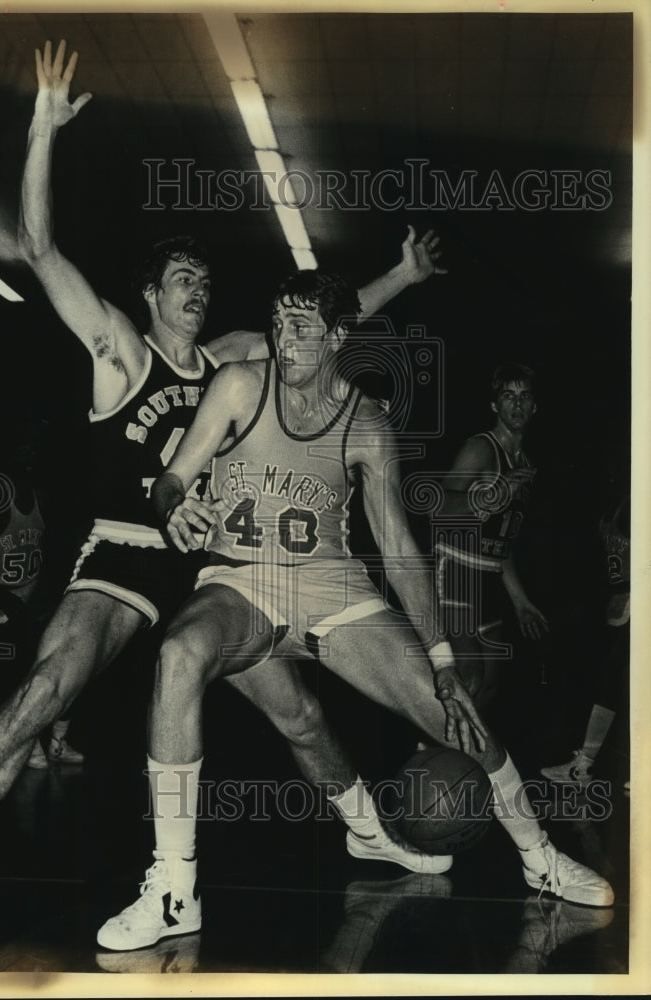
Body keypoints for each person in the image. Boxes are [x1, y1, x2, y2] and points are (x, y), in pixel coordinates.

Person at [0, 41, 447, 932]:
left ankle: (368, 835)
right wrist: (43, 129)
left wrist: (404, 276)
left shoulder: (231, 361)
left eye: (205, 280)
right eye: (184, 279)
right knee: (47, 691)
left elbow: (326, 325)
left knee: (302, 718)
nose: (199, 290)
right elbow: (38, 247)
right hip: (129, 556)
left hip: (219, 570)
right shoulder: (120, 352)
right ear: (150, 295)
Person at [95, 269, 613, 952]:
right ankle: (173, 888)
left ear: (339, 336)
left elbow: (398, 547)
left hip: (332, 587)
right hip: (241, 581)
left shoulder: (365, 421)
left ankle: (539, 856)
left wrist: (443, 660)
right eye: (279, 322)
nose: (284, 337)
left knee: (450, 712)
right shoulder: (240, 385)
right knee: (181, 653)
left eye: (302, 326)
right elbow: (171, 479)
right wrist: (174, 507)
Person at [435, 364, 548, 708]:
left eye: (524, 396)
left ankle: (461, 742)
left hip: (489, 577)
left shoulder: (524, 464)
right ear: (494, 405)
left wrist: (521, 602)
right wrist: (486, 498)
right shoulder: (481, 448)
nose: (517, 403)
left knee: (491, 683)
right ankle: (428, 739)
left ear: (535, 406)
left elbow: (503, 542)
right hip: (457, 570)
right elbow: (436, 508)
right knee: (469, 677)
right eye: (508, 395)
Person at [0, 422, 84, 770]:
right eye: (23, 449)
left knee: (71, 660)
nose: (30, 456)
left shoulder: (42, 496)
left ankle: (57, 743)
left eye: (34, 450)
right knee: (19, 675)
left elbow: (51, 550)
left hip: (32, 595)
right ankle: (26, 746)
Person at [540, 489, 630, 789]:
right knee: (612, 687)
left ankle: (586, 766)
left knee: (615, 685)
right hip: (621, 602)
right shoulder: (616, 502)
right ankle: (584, 766)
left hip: (636, 600)